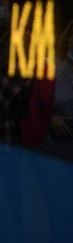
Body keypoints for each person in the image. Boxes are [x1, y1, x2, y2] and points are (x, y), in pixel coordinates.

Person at [42, 20, 73, 157]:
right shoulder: (49, 65)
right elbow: (29, 102)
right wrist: (49, 118)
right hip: (45, 148)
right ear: (68, 37)